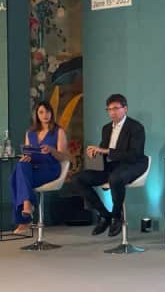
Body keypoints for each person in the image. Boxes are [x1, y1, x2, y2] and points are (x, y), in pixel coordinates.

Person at [71, 94, 148, 237]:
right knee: (77, 179)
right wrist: (95, 153)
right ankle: (104, 215)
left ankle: (116, 217)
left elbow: (134, 154)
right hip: (111, 166)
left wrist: (106, 151)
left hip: (133, 165)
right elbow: (104, 150)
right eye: (109, 109)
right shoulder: (106, 128)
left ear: (125, 109)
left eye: (116, 108)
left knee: (115, 178)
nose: (112, 112)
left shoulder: (136, 127)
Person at [10, 101, 70, 235]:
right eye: (41, 112)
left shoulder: (58, 131)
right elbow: (28, 153)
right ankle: (27, 205)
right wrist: (26, 157)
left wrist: (52, 150)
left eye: (47, 111)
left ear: (51, 113)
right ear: (36, 115)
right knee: (21, 165)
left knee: (15, 179)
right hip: (34, 168)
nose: (45, 115)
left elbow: (64, 156)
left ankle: (24, 219)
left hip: (50, 169)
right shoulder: (30, 133)